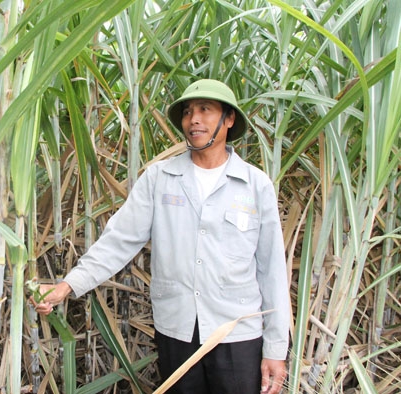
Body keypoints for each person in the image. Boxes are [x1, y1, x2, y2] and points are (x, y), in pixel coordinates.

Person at [33, 79, 290, 394]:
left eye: (205, 110)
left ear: (229, 119)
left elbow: (272, 269)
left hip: (237, 333)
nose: (193, 119)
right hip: (177, 329)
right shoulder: (159, 178)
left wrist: (276, 349)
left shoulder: (255, 184)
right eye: (187, 112)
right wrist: (66, 286)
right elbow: (119, 240)